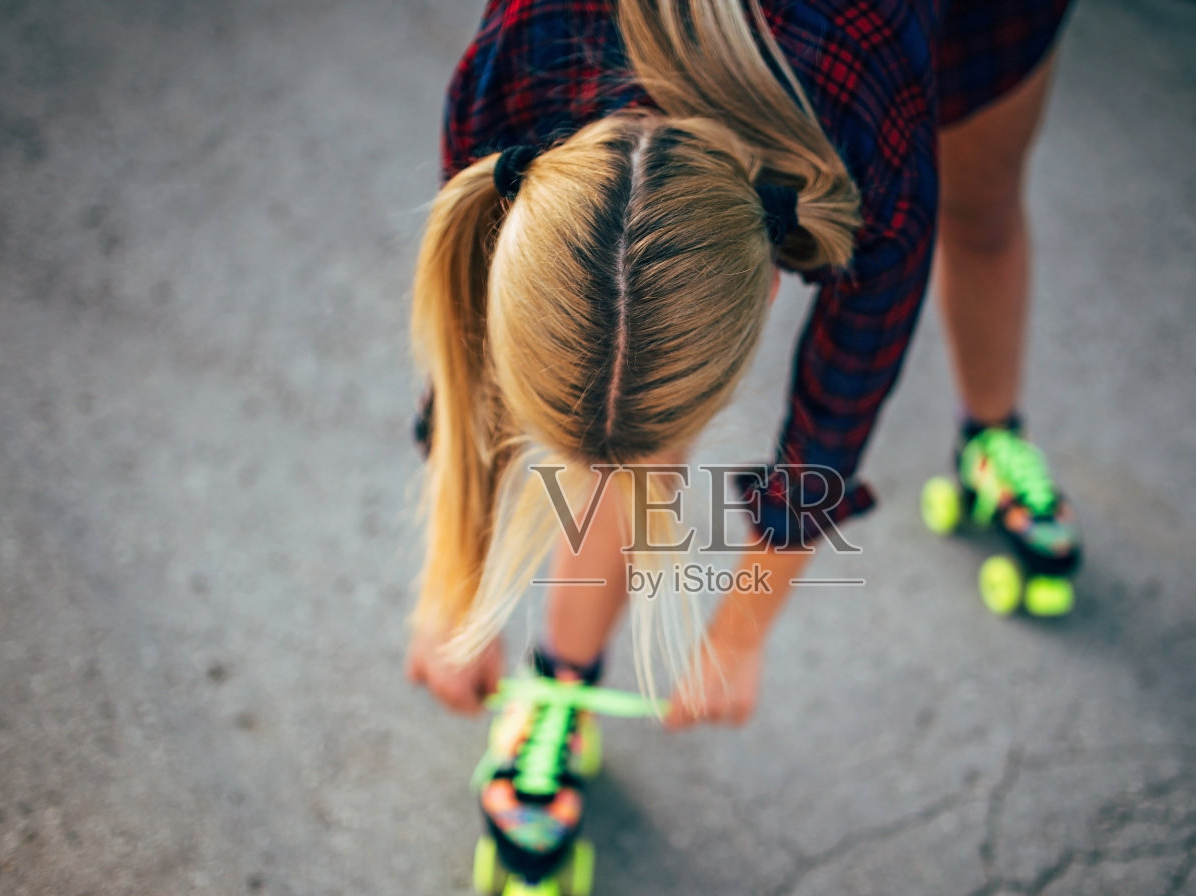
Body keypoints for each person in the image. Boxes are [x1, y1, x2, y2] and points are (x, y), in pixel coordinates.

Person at [405, 0, 1079, 730]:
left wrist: (739, 634)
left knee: (981, 210)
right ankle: (562, 678)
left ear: (768, 284)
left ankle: (991, 435)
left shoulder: (877, 157)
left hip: (959, 25)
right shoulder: (518, 55)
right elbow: (464, 361)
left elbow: (833, 423)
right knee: (633, 414)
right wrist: (455, 594)